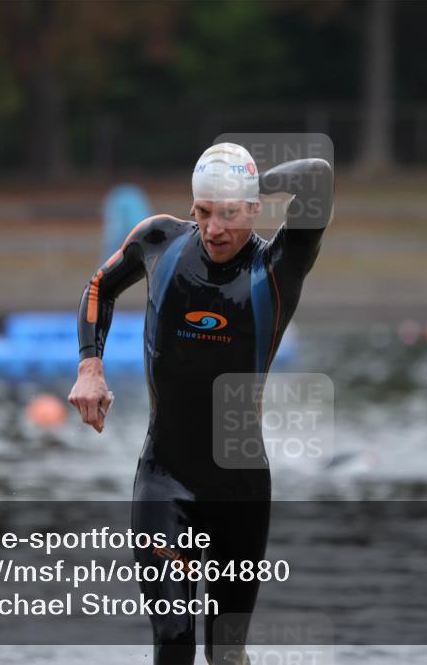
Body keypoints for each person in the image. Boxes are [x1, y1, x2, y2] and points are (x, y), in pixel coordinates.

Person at [68, 142, 333, 665]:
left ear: (254, 209)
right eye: (204, 212)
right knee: (173, 640)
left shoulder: (280, 265)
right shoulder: (159, 241)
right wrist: (90, 366)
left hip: (240, 487)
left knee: (225, 653)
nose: (214, 229)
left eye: (229, 213)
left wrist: (254, 182)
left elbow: (318, 176)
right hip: (164, 477)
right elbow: (100, 287)